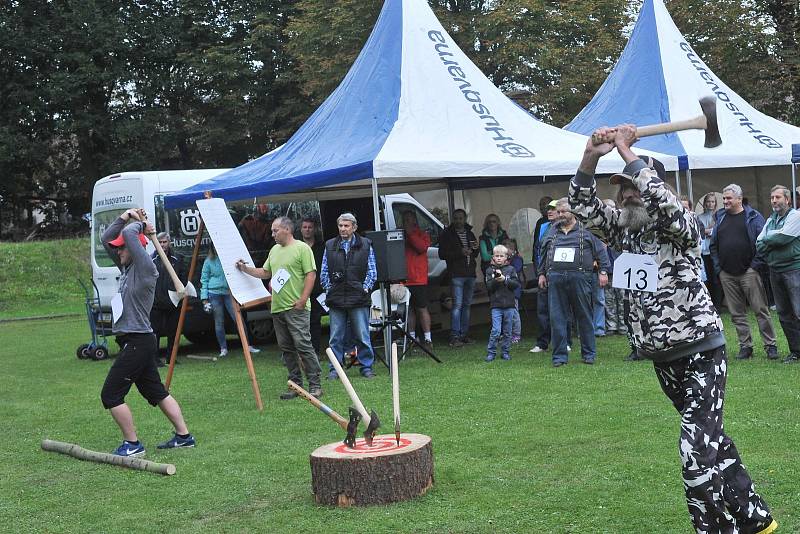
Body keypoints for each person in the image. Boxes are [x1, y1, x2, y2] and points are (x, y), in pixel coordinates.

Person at [570, 124, 776, 534]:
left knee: (695, 450)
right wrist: (591, 155)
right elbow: (581, 203)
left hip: (702, 350)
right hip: (663, 359)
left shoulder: (679, 227)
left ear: (651, 184)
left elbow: (666, 206)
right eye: (622, 188)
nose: (627, 192)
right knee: (711, 441)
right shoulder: (623, 229)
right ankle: (756, 519)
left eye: (634, 184)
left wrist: (628, 152)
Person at [100, 208, 195, 457]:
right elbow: (106, 239)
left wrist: (140, 223)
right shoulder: (127, 269)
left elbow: (131, 234)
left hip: (138, 341)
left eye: (122, 248)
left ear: (136, 250)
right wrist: (125, 216)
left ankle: (132, 445)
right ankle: (184, 436)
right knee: (156, 391)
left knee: (111, 394)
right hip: (136, 341)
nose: (118, 251)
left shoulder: (145, 270)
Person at [237, 216, 323, 399]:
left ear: (287, 230)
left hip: (297, 308)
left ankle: (315, 385)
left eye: (275, 230)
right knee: (286, 348)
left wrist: (303, 299)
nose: (272, 234)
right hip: (277, 308)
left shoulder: (302, 248)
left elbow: (311, 275)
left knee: (303, 345)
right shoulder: (274, 250)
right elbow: (265, 272)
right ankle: (296, 386)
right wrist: (245, 269)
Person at [709, 184, 778, 360]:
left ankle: (770, 346)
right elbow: (713, 245)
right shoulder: (720, 217)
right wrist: (719, 269)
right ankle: (745, 346)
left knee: (760, 310)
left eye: (728, 198)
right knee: (736, 313)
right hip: (727, 273)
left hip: (749, 272)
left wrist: (754, 266)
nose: (725, 201)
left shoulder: (753, 217)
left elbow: (763, 242)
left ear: (739, 199)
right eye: (723, 198)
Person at [538, 199, 609, 367]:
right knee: (557, 318)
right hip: (555, 278)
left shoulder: (586, 230)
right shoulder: (551, 231)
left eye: (564, 212)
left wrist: (603, 271)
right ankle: (559, 357)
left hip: (580, 277)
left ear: (574, 212)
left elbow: (601, 252)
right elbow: (543, 252)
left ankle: (589, 354)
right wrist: (541, 274)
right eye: (559, 212)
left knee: (584, 315)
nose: (560, 215)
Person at [320, 213, 378, 379]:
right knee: (335, 337)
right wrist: (329, 288)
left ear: (354, 227)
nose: (343, 229)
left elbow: (372, 272)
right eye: (340, 226)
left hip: (359, 297)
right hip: (336, 297)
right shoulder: (330, 245)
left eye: (346, 226)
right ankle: (335, 369)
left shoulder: (366, 244)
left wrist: (364, 289)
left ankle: (366, 367)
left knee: (362, 335)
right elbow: (324, 271)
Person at [757, 185, 800, 364]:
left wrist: (770, 238)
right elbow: (758, 243)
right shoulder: (771, 220)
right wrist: (772, 238)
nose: (774, 201)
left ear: (787, 200)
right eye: (772, 197)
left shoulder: (795, 216)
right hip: (775, 271)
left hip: (794, 270)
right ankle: (796, 351)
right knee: (784, 314)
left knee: (798, 311)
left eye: (778, 197)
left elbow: (783, 238)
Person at [200, 246, 260, 358]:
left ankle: (247, 346)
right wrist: (204, 299)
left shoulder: (228, 259)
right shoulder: (208, 261)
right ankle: (223, 348)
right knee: (219, 321)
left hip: (229, 292)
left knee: (239, 319)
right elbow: (204, 280)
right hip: (214, 293)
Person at [438, 208, 479, 347]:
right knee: (457, 305)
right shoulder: (447, 235)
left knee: (467, 305)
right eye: (456, 218)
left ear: (465, 218)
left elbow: (475, 253)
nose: (458, 221)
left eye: (461, 218)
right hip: (456, 274)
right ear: (452, 219)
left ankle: (464, 334)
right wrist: (460, 252)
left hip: (470, 273)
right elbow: (442, 254)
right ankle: (455, 336)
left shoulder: (470, 233)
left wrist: (475, 248)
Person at [149, 232, 186, 367]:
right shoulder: (150, 259)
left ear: (169, 242)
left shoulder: (178, 258)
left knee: (174, 331)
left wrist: (180, 294)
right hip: (156, 303)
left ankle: (171, 357)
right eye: (160, 242)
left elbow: (183, 279)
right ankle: (155, 359)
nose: (163, 245)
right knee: (155, 332)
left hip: (173, 302)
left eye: (165, 242)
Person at [402, 210, 433, 351]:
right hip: (404, 279)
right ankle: (412, 338)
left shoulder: (422, 234)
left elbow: (421, 247)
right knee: (409, 310)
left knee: (421, 308)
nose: (407, 222)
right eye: (405, 219)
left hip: (419, 279)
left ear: (415, 220)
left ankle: (428, 339)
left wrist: (410, 233)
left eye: (410, 219)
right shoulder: (400, 235)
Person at [530, 200, 558, 353]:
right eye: (548, 209)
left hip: (560, 273)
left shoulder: (567, 228)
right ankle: (542, 343)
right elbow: (538, 250)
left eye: (553, 208)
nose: (550, 211)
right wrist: (540, 272)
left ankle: (564, 341)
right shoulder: (543, 227)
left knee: (561, 309)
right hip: (544, 273)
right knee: (542, 309)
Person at [484, 244, 520, 362]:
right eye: (496, 256)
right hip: (496, 306)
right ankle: (491, 352)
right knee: (496, 330)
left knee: (508, 331)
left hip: (509, 305)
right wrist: (496, 279)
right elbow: (489, 287)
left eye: (501, 256)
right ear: (493, 257)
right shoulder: (490, 270)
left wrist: (505, 279)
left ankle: (505, 352)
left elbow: (516, 285)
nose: (499, 258)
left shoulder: (511, 269)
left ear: (506, 257)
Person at [300, 217, 325, 355]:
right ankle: (303, 352)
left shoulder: (322, 247)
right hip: (301, 290)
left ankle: (314, 351)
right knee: (301, 323)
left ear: (314, 229)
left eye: (310, 227)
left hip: (317, 291)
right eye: (305, 227)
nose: (307, 230)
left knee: (315, 322)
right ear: (301, 229)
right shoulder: (297, 246)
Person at [696, 192, 723, 309]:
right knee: (706, 279)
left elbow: (719, 231)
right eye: (708, 201)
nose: (710, 204)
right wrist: (708, 231)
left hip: (715, 251)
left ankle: (718, 305)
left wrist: (709, 231)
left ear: (715, 203)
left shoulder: (719, 216)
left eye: (712, 201)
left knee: (716, 278)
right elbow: (700, 231)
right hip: (703, 252)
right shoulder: (699, 217)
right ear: (704, 203)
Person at [502, 237, 524, 343]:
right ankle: (507, 334)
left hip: (514, 290)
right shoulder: (506, 260)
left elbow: (515, 270)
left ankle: (516, 334)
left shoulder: (517, 259)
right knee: (506, 313)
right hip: (505, 290)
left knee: (514, 312)